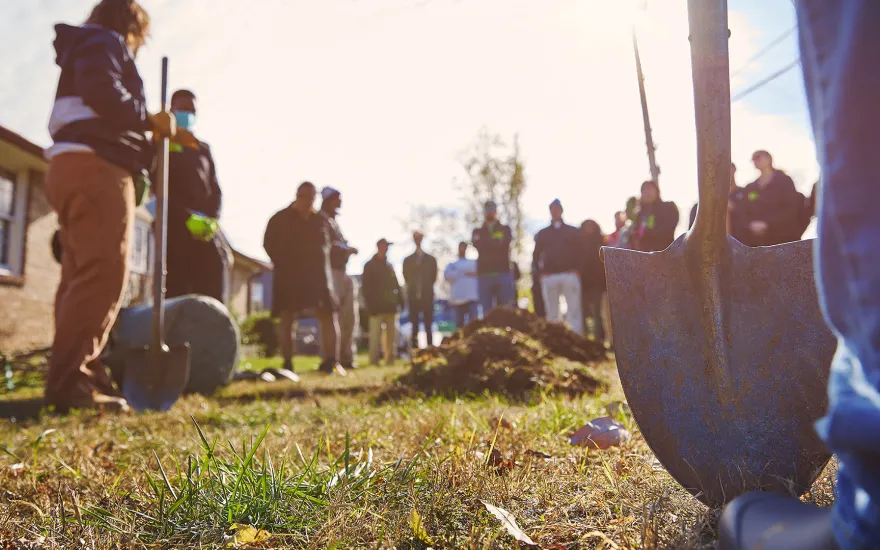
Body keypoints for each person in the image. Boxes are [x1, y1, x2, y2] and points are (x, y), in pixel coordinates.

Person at [720, 3, 880, 549]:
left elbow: (797, 210)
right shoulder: (743, 189)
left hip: (782, 247)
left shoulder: (782, 181)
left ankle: (873, 515)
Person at [43, 0, 179, 413]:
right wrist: (148, 119)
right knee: (102, 275)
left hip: (71, 165)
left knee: (79, 276)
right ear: (130, 25)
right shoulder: (106, 42)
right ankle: (70, 384)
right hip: (96, 166)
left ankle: (84, 371)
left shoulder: (87, 44)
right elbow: (104, 92)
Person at [263, 182, 344, 376]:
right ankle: (288, 363)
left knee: (328, 315)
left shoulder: (321, 221)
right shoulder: (279, 219)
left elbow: (333, 245)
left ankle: (332, 362)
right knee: (287, 317)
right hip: (289, 276)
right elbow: (268, 244)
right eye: (303, 197)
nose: (307, 202)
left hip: (318, 277)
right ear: (297, 196)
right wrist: (283, 262)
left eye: (311, 198)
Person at [164, 89, 225, 302]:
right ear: (171, 109)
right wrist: (186, 217)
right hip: (174, 230)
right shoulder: (162, 144)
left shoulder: (203, 149)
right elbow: (158, 190)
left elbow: (215, 189)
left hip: (204, 232)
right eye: (183, 109)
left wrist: (211, 220)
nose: (187, 114)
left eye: (192, 110)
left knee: (212, 283)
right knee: (177, 290)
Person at [320, 187, 360, 370]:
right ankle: (330, 358)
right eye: (337, 199)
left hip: (343, 272)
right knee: (332, 318)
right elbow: (326, 245)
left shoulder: (334, 222)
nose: (340, 202)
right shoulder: (321, 220)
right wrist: (345, 249)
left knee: (349, 317)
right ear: (329, 200)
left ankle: (346, 357)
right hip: (330, 274)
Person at [533, 199, 585, 335]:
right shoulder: (543, 233)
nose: (555, 211)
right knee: (552, 311)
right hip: (550, 276)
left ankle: (576, 337)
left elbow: (581, 252)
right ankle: (554, 339)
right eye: (552, 209)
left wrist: (578, 270)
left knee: (574, 309)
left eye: (557, 209)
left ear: (561, 210)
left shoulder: (572, 231)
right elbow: (536, 255)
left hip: (569, 275)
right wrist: (541, 274)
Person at [738, 150, 807, 247]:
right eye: (753, 159)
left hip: (785, 240)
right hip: (758, 242)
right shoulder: (751, 188)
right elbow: (744, 209)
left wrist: (768, 224)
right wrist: (750, 225)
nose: (755, 161)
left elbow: (792, 208)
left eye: (758, 157)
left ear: (769, 159)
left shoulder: (784, 181)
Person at [362, 239, 403, 365]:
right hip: (376, 308)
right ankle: (374, 360)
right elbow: (366, 287)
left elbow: (395, 283)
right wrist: (370, 305)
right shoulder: (369, 265)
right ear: (379, 247)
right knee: (375, 336)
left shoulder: (389, 265)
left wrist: (400, 300)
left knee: (391, 336)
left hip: (390, 307)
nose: (386, 249)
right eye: (385, 246)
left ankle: (390, 359)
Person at [472, 200, 516, 316]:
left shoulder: (505, 229)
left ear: (496, 211)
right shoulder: (477, 231)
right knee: (487, 312)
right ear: (484, 212)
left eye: (492, 210)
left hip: (503, 274)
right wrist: (496, 242)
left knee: (506, 310)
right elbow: (478, 245)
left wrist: (486, 243)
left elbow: (505, 243)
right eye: (487, 210)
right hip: (484, 275)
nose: (489, 213)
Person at [689, 163, 747, 242]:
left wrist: (734, 209)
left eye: (728, 169)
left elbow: (752, 217)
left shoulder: (746, 194)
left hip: (742, 244)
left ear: (734, 170)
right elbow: (693, 233)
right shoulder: (701, 204)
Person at [402, 231, 438, 349]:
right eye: (415, 238)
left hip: (427, 297)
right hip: (413, 297)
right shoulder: (408, 260)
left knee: (428, 324)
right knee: (414, 325)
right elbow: (406, 276)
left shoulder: (431, 259)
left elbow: (433, 277)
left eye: (419, 238)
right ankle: (414, 349)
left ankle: (430, 348)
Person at [579, 220, 610, 346]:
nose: (589, 228)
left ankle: (599, 341)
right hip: (583, 282)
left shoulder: (601, 241)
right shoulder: (579, 243)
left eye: (591, 226)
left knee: (598, 313)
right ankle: (584, 339)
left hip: (598, 283)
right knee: (583, 312)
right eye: (586, 226)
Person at [632, 181, 679, 252]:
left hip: (665, 254)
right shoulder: (640, 215)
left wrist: (647, 233)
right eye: (643, 190)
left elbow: (668, 230)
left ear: (657, 190)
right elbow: (637, 235)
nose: (647, 192)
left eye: (649, 188)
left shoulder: (669, 207)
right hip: (644, 256)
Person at [444, 242, 479, 328]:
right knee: (459, 326)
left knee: (473, 325)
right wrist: (465, 272)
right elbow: (447, 276)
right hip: (457, 300)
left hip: (472, 299)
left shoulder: (473, 263)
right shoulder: (451, 265)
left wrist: (459, 272)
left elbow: (478, 273)